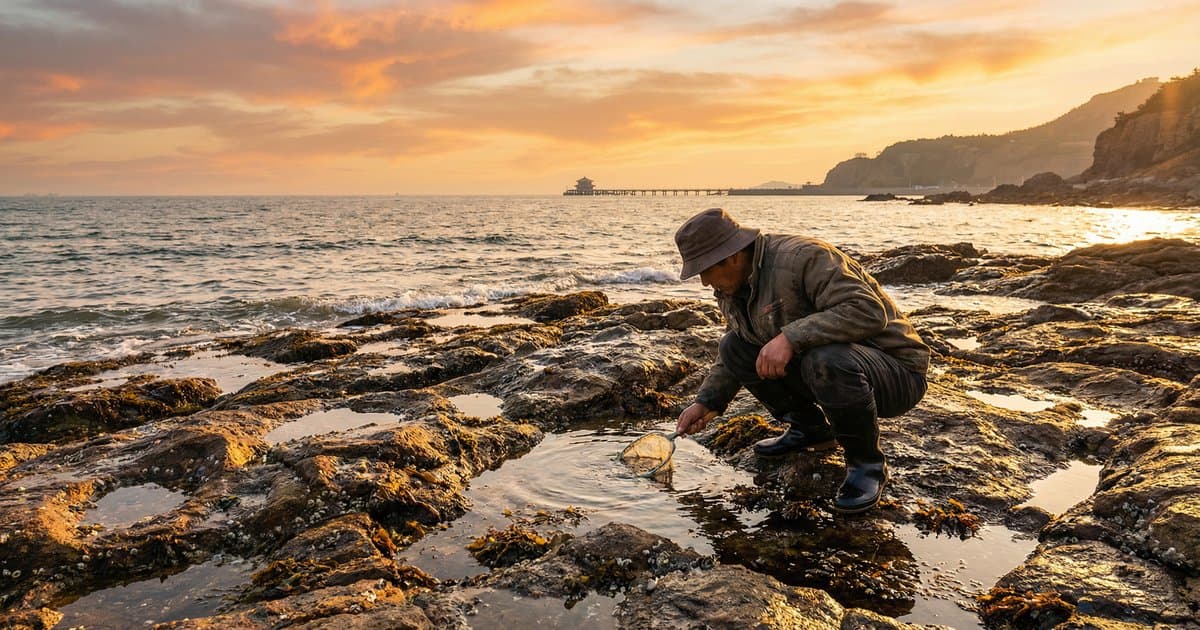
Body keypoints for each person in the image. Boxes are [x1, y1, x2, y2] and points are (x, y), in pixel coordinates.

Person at [672, 208, 929, 513]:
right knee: (733, 346)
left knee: (826, 358)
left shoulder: (803, 258)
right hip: (830, 368)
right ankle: (811, 430)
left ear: (732, 257)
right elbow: (738, 349)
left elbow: (868, 311)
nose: (703, 282)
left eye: (704, 270)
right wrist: (706, 402)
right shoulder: (732, 287)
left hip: (896, 373)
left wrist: (790, 338)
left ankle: (867, 465)